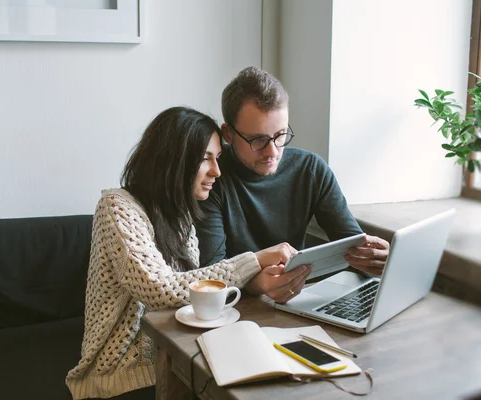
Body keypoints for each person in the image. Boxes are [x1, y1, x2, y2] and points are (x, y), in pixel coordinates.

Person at [65, 107, 306, 399]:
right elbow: (159, 289)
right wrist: (253, 261)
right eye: (205, 158)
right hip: (121, 377)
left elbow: (188, 293)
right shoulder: (117, 207)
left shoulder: (181, 216)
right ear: (172, 158)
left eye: (217, 158)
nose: (217, 171)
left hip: (178, 358)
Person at [196, 67, 390, 303]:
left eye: (280, 135)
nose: (273, 151)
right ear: (228, 134)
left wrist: (376, 259)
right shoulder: (210, 178)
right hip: (234, 307)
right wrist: (258, 285)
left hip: (294, 301)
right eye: (258, 140)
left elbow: (351, 245)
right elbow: (211, 273)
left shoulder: (310, 169)